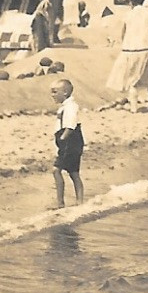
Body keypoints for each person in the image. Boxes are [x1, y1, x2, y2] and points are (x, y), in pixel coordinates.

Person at [106, 0, 148, 111]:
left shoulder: (128, 15)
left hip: (130, 50)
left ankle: (134, 107)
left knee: (132, 80)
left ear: (131, 2)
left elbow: (122, 33)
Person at [51, 78, 84, 207]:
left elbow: (70, 125)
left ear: (64, 92)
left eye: (54, 92)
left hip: (70, 142)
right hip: (71, 142)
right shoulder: (66, 106)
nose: (52, 95)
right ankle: (80, 201)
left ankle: (60, 203)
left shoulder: (70, 107)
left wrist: (63, 139)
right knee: (73, 172)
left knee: (56, 170)